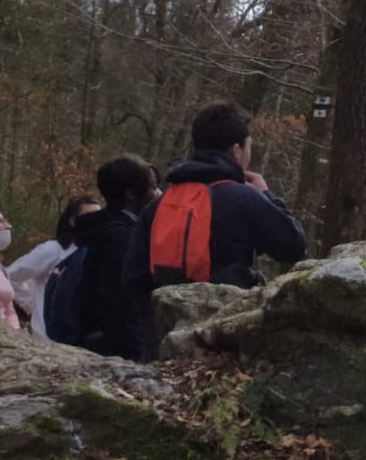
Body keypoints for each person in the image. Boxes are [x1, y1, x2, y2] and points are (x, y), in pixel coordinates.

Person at [122, 102, 306, 362]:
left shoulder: (159, 205)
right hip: (227, 342)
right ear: (237, 150)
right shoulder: (242, 198)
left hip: (166, 344)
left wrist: (153, 342)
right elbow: (293, 246)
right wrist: (267, 195)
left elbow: (134, 276)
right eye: (249, 147)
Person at [66, 155, 159, 357]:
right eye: (151, 187)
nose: (157, 193)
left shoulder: (99, 227)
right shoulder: (120, 236)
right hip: (114, 346)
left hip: (96, 337)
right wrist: (138, 348)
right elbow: (120, 298)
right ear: (131, 194)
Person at [8, 195, 99, 340]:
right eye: (89, 216)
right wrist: (32, 305)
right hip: (47, 336)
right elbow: (11, 276)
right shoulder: (52, 250)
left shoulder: (98, 252)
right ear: (72, 221)